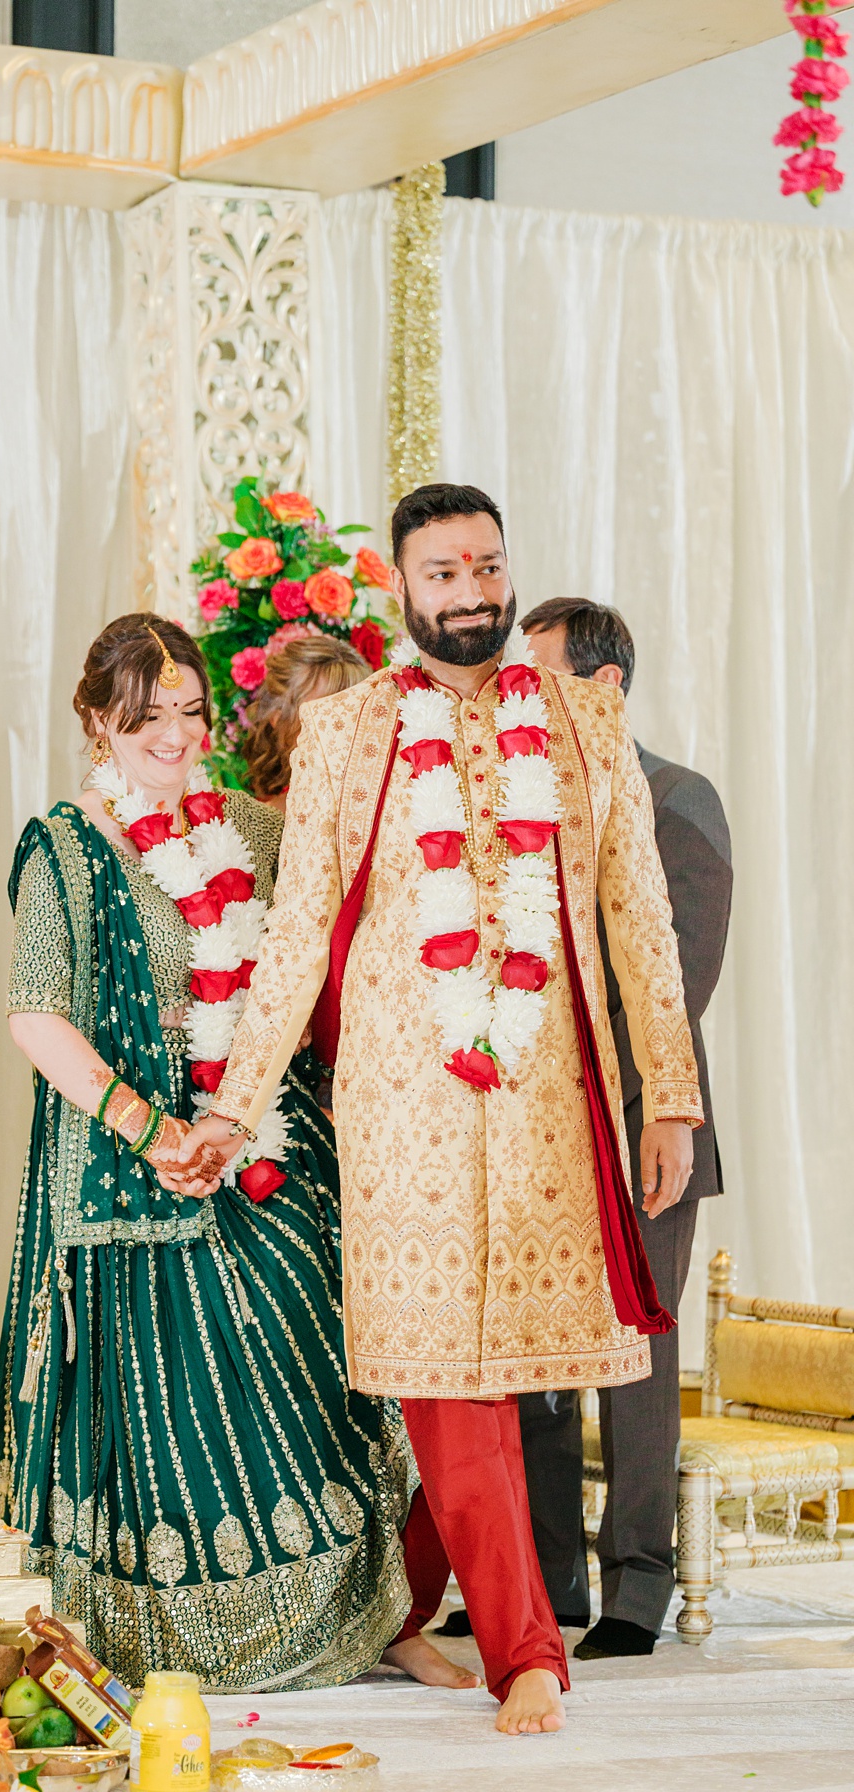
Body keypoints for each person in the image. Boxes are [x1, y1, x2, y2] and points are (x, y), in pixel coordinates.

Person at [173, 484, 705, 1735]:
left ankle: (393, 1611)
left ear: (507, 570)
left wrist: (666, 1100)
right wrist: (234, 1110)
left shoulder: (584, 726)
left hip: (541, 1106)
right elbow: (299, 933)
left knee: (502, 1368)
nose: (470, 591)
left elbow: (641, 921)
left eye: (486, 565)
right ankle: (529, 1648)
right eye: (442, 572)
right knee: (439, 1375)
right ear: (400, 589)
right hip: (400, 1108)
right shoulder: (351, 730)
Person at [0, 614, 464, 1694]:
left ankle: (374, 1619)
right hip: (130, 1168)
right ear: (98, 720)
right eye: (148, 716)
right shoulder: (63, 844)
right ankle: (153, 1637)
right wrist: (154, 1126)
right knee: (169, 1414)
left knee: (322, 1375)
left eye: (190, 711)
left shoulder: (250, 825)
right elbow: (37, 1015)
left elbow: (340, 933)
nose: (175, 734)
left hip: (268, 1153)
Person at [506, 597, 732, 1659]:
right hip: (534, 1125)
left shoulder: (679, 799)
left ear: (601, 686)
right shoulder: (518, 801)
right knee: (537, 1354)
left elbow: (678, 987)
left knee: (636, 1354)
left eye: (539, 676)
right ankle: (548, 1585)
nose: (520, 696)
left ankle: (639, 1585)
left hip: (650, 1118)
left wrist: (667, 1115)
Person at [240, 634, 371, 811]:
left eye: (358, 714)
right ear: (278, 719)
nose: (345, 731)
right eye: (326, 716)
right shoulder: (259, 825)